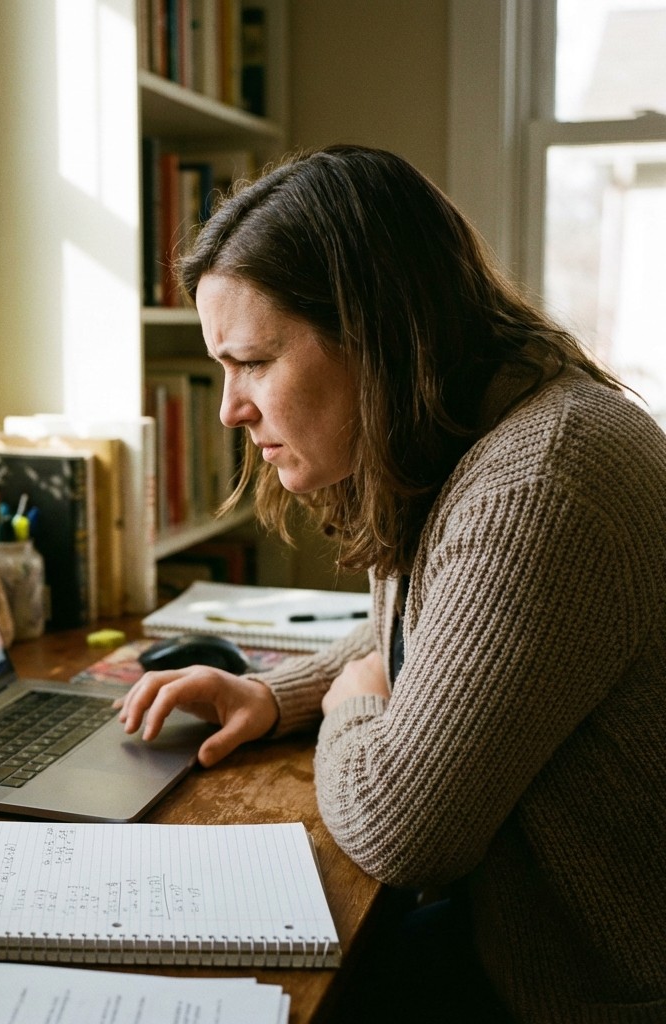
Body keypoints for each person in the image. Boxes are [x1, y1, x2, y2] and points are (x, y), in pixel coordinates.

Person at [117, 146, 666, 1023]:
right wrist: (275, 693)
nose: (229, 408)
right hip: (524, 943)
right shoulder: (474, 425)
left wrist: (352, 708)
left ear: (376, 335)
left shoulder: (540, 483)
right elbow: (447, 630)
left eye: (253, 360)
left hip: (596, 993)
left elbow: (404, 830)